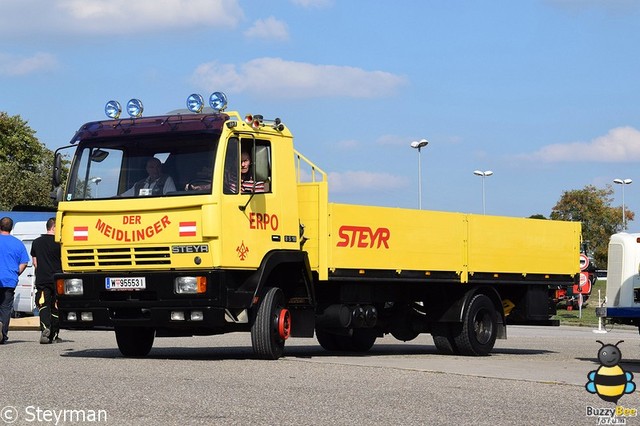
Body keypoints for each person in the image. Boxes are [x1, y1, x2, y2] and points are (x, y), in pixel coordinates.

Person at [30, 217, 62, 344]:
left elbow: (35, 262)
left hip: (42, 279)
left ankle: (45, 329)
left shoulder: (36, 242)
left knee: (43, 305)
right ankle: (54, 335)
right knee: (56, 306)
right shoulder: (59, 243)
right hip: (57, 279)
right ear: (54, 227)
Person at [0, 217, 29, 344]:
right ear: (11, 228)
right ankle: (3, 334)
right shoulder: (18, 243)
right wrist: (15, 273)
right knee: (6, 308)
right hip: (10, 280)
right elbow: (24, 263)